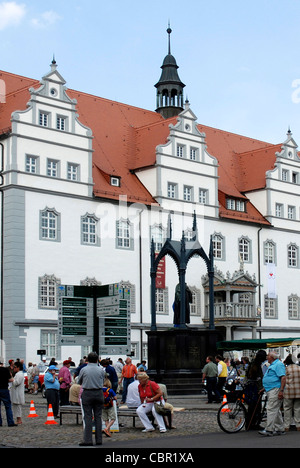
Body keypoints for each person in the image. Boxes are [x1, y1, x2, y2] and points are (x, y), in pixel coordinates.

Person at [77, 352, 105, 446]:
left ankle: (88, 440)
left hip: (88, 393)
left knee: (88, 417)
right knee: (98, 416)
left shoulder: (84, 370)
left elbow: (79, 381)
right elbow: (103, 380)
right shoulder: (101, 370)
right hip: (98, 392)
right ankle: (99, 439)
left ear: (87, 360)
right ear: (97, 360)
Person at [259, 351, 286, 436]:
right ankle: (280, 428)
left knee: (271, 408)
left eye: (268, 356)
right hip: (271, 389)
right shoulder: (273, 365)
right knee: (275, 409)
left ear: (272, 357)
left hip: (275, 389)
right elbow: (272, 377)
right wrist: (264, 388)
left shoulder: (278, 364)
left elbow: (283, 377)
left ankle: (269, 429)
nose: (267, 357)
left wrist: (281, 390)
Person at [244, 350, 266, 430]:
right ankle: (253, 423)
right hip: (254, 388)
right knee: (255, 406)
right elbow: (258, 378)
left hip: (251, 387)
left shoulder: (253, 363)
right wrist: (261, 388)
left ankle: (251, 423)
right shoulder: (256, 365)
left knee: (252, 407)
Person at [283, 354, 300, 432]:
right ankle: (298, 425)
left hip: (288, 391)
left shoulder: (286, 369)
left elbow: (283, 380)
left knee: (287, 408)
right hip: (298, 391)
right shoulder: (299, 368)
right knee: (297, 409)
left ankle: (287, 426)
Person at [0, 358, 16, 427]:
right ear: (2, 363)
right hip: (4, 389)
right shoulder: (5, 370)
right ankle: (10, 422)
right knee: (8, 406)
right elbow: (11, 380)